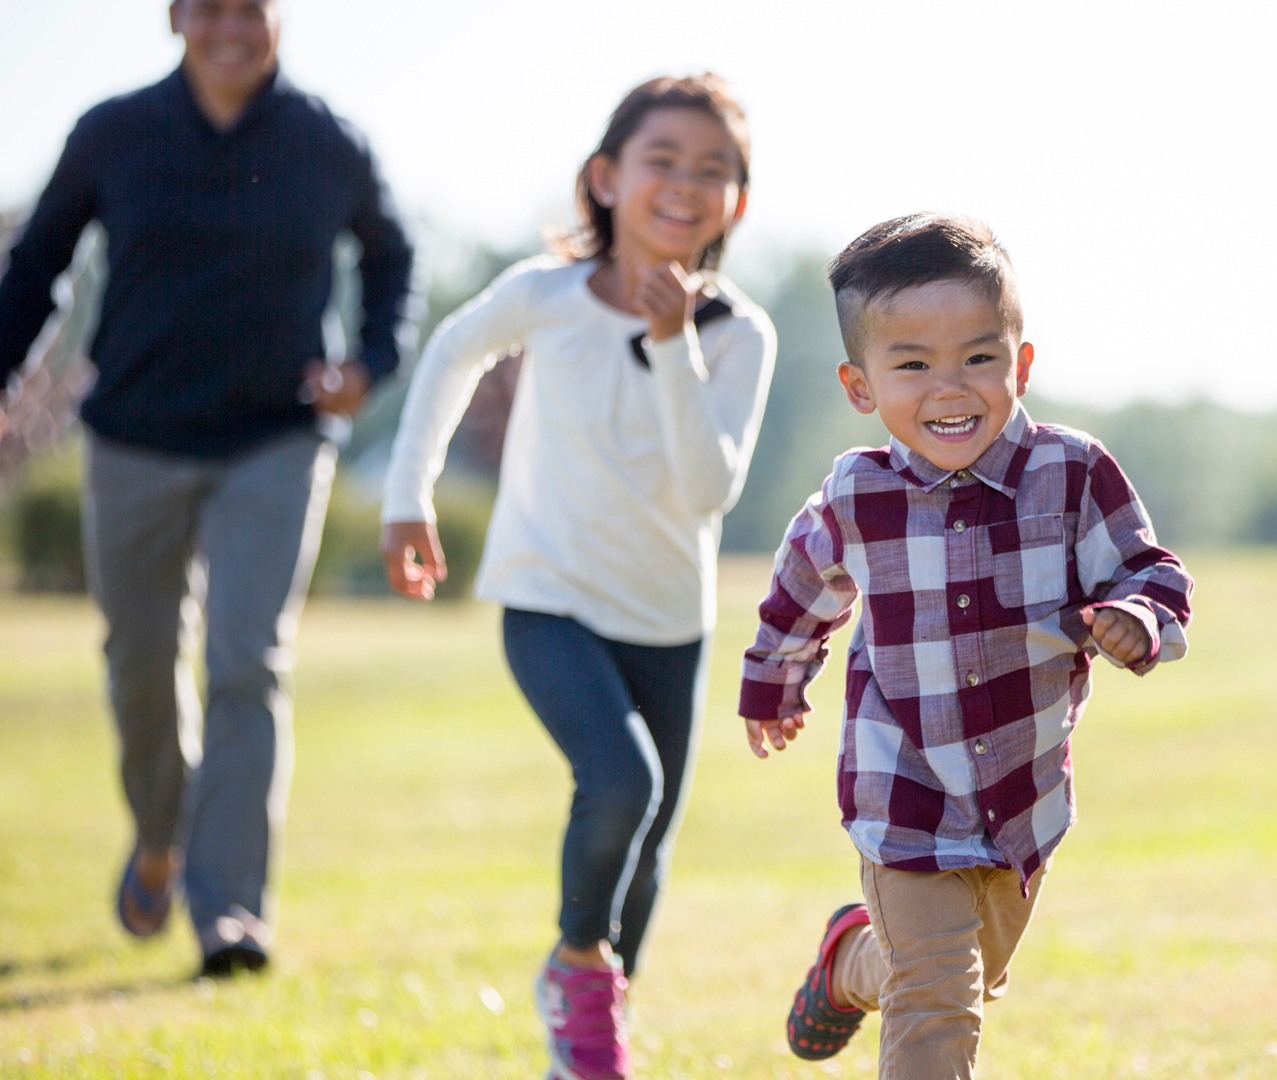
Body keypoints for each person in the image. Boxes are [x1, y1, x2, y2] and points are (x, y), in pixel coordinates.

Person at [0, 0, 414, 977]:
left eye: (253, 9)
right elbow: (37, 265)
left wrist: (370, 359)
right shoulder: (113, 132)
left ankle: (229, 910)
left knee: (246, 664)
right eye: (211, 8)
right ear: (177, 17)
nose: (233, 28)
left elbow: (394, 259)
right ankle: (158, 836)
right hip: (133, 439)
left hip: (274, 439)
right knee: (138, 665)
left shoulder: (326, 141)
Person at [379, 74, 773, 1080]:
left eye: (713, 169)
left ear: (736, 201)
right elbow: (449, 359)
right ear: (605, 178)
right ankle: (574, 971)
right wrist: (406, 495)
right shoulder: (543, 297)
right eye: (662, 160)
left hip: (668, 619)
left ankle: (590, 1037)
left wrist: (673, 342)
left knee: (648, 850)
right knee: (618, 781)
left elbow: (705, 492)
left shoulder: (740, 334)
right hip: (546, 597)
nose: (685, 184)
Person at [739, 213, 1196, 1077]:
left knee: (954, 980)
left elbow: (1150, 571)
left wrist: (1136, 617)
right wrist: (774, 683)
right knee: (940, 999)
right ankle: (881, 961)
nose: (951, 388)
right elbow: (802, 592)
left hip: (1022, 798)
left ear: (1020, 363)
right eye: (912, 364)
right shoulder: (856, 495)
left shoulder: (1072, 473)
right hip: (904, 790)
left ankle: (849, 963)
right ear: (860, 384)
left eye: (979, 358)